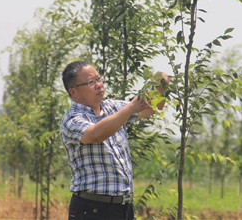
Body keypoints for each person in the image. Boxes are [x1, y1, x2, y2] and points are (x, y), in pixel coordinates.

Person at [60, 60, 169, 220]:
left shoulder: (112, 108)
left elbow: (152, 107)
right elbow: (96, 133)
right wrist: (131, 107)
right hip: (92, 209)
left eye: (98, 79)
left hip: (122, 209)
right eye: (91, 82)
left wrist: (161, 85)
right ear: (74, 92)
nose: (98, 85)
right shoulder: (72, 119)